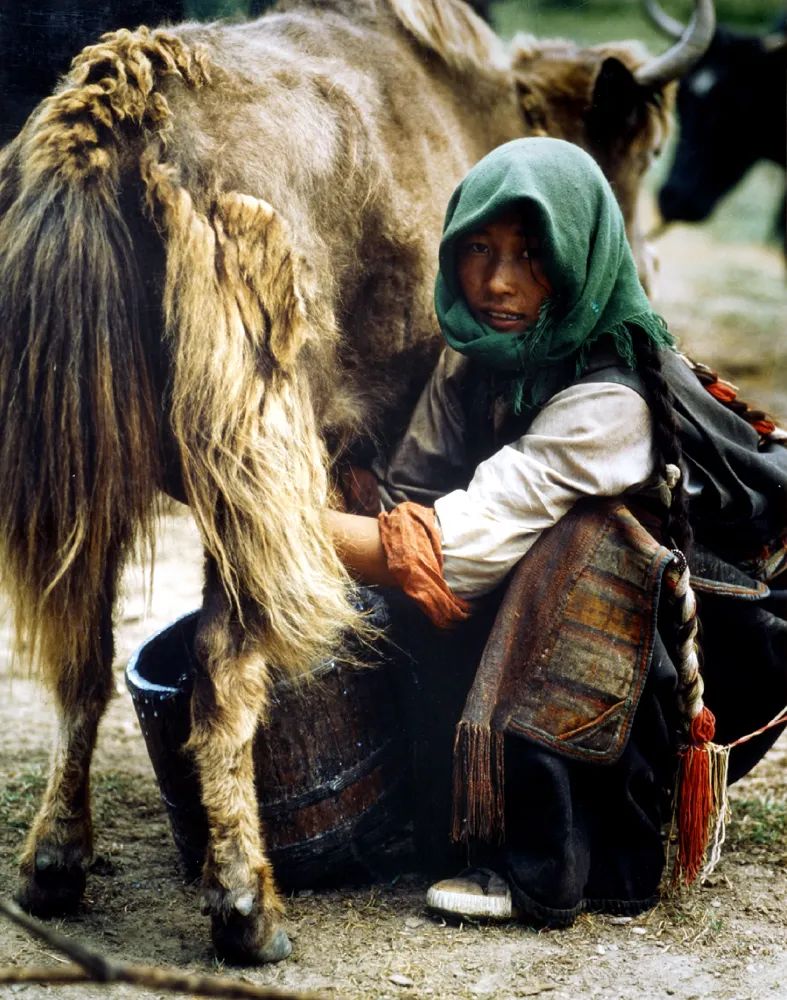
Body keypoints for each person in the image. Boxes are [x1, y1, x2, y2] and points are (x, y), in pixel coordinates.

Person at [326, 137, 787, 927]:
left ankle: (562, 859)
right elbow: (417, 496)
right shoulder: (478, 351)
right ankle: (457, 810)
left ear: (581, 256)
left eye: (534, 256)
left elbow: (452, 551)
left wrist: (266, 525)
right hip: (618, 631)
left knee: (583, 544)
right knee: (447, 572)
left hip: (724, 640)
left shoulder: (614, 396)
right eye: (479, 247)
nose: (499, 282)